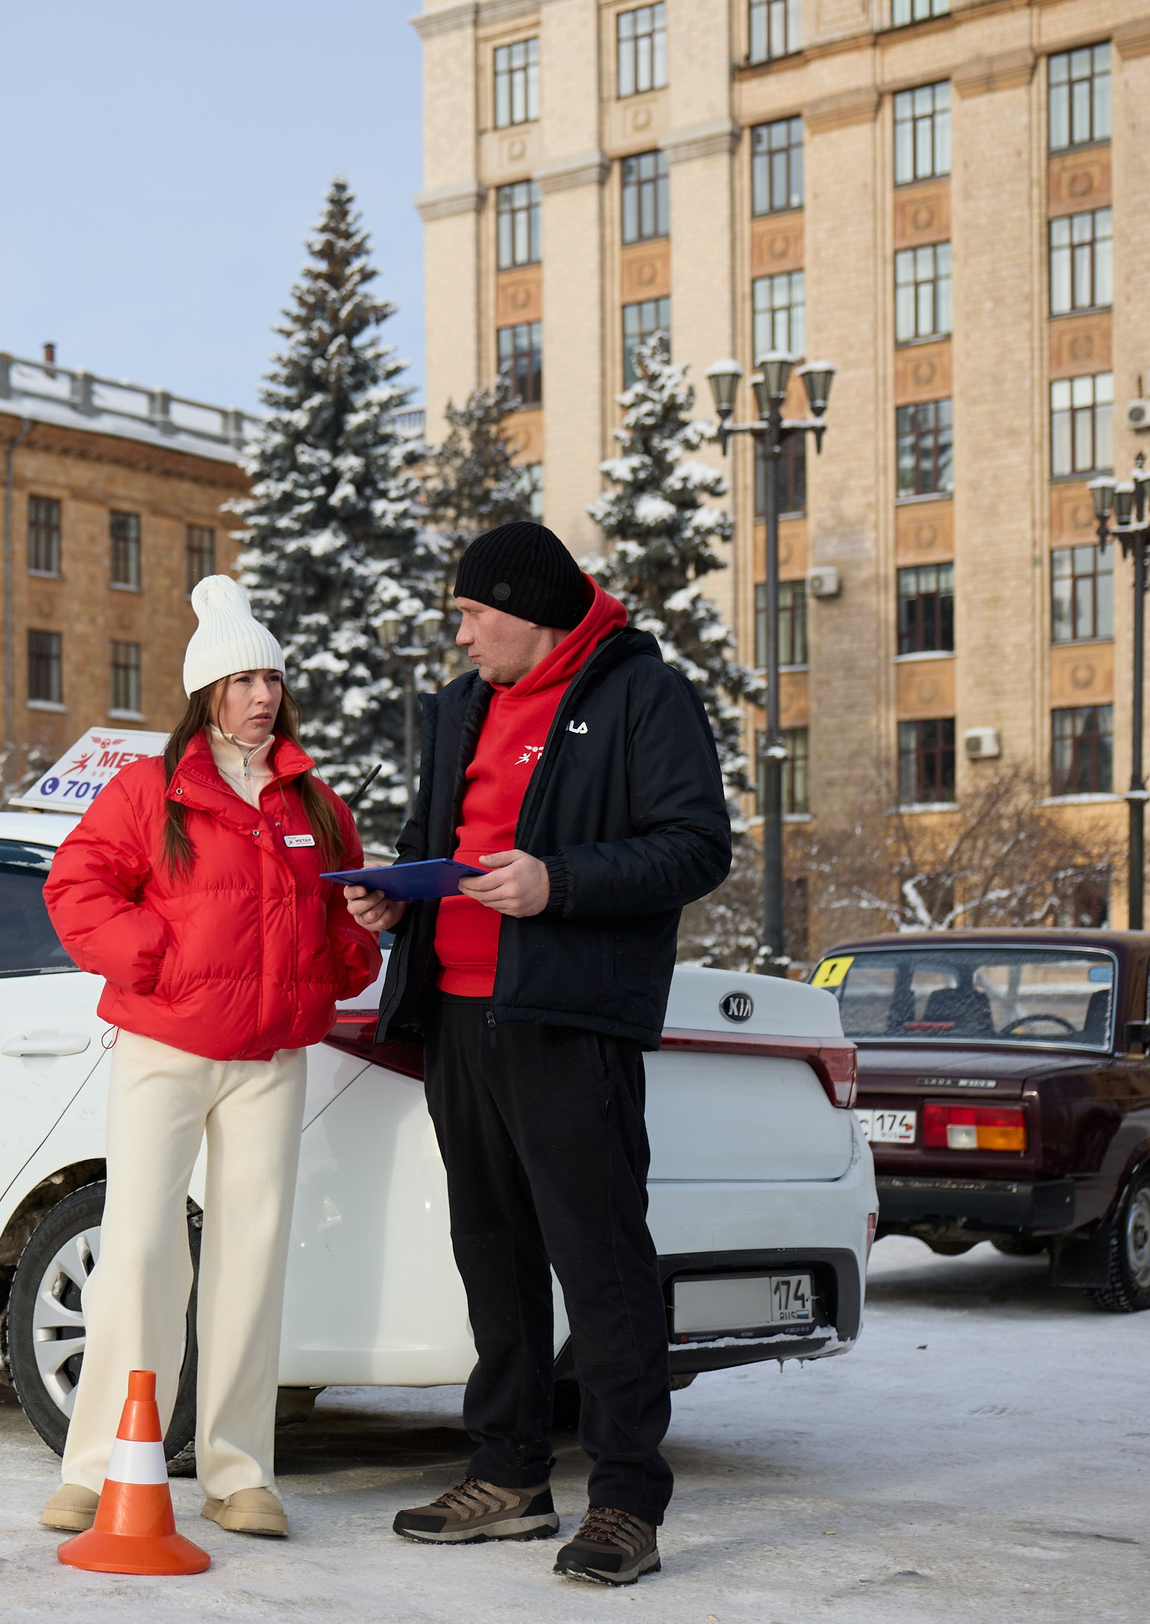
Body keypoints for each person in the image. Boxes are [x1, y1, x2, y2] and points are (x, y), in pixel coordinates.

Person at [344, 521, 730, 1587]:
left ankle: (623, 1503)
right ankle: (508, 1475)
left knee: (599, 1259)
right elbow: (446, 835)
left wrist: (556, 882)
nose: (460, 633)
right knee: (493, 1254)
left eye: (471, 613)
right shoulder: (463, 707)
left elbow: (696, 845)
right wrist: (397, 898)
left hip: (568, 1021)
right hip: (459, 1018)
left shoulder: (637, 693)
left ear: (528, 610)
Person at [40, 574, 381, 1540]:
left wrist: (365, 927)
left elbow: (346, 944)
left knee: (250, 1257)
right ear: (205, 693)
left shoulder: (315, 799)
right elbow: (77, 887)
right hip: (166, 1046)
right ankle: (101, 1463)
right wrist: (155, 958)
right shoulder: (151, 788)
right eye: (239, 679)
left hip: (271, 1058)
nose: (260, 693)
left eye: (269, 675)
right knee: (143, 1248)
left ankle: (239, 1472)